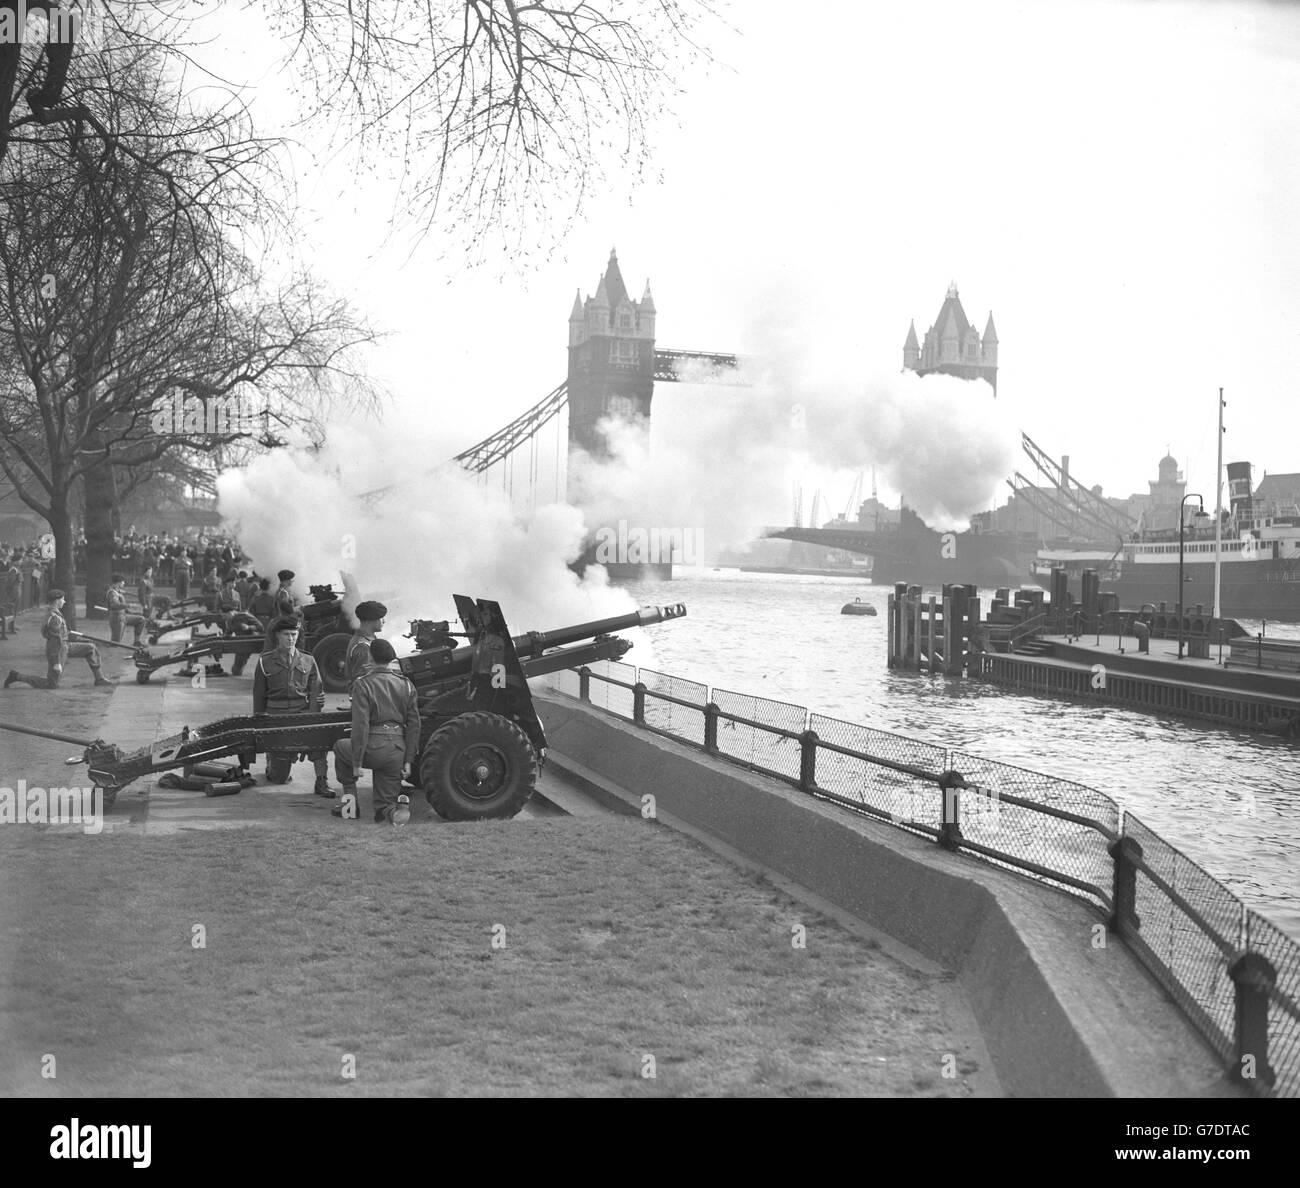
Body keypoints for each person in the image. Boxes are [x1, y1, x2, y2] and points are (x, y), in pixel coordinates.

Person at [331, 638, 420, 823]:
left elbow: (360, 726)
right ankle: (391, 812)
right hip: (397, 751)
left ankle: (351, 802)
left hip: (372, 749)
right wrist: (409, 761)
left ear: (370, 657)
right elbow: (414, 725)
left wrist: (356, 763)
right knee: (384, 803)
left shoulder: (362, 684)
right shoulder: (406, 684)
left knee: (339, 746)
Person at [253, 617, 333, 796]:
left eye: (294, 634)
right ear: (277, 636)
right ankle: (271, 763)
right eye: (286, 634)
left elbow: (316, 691)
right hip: (276, 719)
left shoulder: (308, 660)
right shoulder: (264, 661)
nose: (290, 638)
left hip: (301, 714)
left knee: (319, 742)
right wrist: (260, 726)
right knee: (279, 778)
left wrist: (312, 720)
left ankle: (321, 781)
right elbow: (258, 696)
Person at [5, 589, 114, 689]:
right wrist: (56, 662)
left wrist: (78, 639)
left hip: (65, 646)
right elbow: (55, 641)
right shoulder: (54, 618)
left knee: (91, 648)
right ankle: (16, 676)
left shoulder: (55, 613)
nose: (64, 601)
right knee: (51, 684)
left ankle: (99, 679)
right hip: (58, 650)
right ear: (57, 601)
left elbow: (62, 635)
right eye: (63, 599)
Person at [345, 600, 387, 691]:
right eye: (381, 618)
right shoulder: (363, 646)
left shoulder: (368, 639)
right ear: (369, 621)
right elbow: (363, 681)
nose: (384, 621)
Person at [106, 574, 147, 645]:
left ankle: (137, 642)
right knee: (115, 643)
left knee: (141, 620)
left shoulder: (117, 591)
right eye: (122, 582)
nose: (124, 583)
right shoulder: (112, 593)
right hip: (117, 619)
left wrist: (133, 613)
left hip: (124, 616)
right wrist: (128, 605)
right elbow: (114, 605)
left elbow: (122, 607)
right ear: (118, 583)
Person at [0, 561, 20, 638]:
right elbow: (11, 582)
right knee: (12, 608)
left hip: (14, 590)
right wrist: (8, 590)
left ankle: (12, 626)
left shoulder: (13, 570)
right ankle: (11, 626)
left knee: (13, 608)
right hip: (14, 591)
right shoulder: (13, 570)